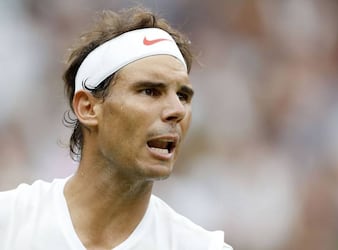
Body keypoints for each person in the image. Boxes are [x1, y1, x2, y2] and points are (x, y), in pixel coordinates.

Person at [0, 6, 232, 250]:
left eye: (183, 96)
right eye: (150, 91)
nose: (177, 110)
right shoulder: (8, 223)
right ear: (88, 108)